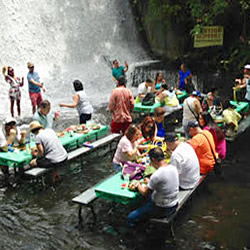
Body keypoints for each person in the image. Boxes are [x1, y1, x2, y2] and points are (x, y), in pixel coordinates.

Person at [127, 147, 179, 227]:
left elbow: (145, 193)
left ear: (153, 159)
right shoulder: (173, 168)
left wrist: (138, 185)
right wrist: (150, 182)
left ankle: (136, 231)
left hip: (162, 208)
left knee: (130, 217)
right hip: (174, 203)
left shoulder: (157, 174)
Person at [0, 117, 26, 184]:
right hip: (2, 148)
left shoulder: (16, 128)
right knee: (3, 160)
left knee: (20, 156)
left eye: (13, 124)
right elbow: (4, 148)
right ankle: (6, 175)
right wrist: (11, 137)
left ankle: (20, 175)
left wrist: (23, 136)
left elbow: (21, 143)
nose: (11, 126)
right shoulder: (1, 133)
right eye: (9, 124)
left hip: (8, 145)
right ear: (5, 126)